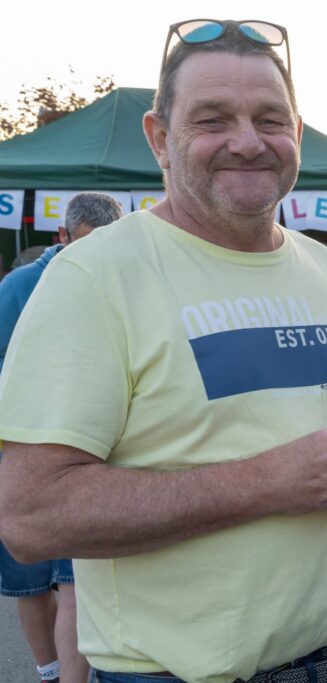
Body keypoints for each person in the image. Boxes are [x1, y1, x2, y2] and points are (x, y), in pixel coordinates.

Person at [0, 19, 327, 683]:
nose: (247, 141)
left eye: (270, 119)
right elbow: (30, 516)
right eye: (213, 119)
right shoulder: (94, 276)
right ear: (160, 138)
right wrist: (265, 481)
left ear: (297, 134)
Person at [0, 191, 122, 683]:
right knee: (29, 583)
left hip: (89, 455)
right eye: (83, 243)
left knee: (75, 581)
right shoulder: (21, 285)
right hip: (19, 455)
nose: (93, 254)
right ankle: (49, 673)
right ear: (62, 236)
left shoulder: (121, 280)